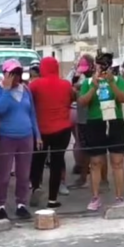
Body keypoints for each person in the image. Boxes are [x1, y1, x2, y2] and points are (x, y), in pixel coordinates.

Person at [78, 52, 124, 210]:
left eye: (106, 64)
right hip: (95, 123)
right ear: (95, 66)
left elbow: (123, 99)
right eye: (100, 64)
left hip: (115, 122)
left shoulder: (118, 80)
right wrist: (94, 85)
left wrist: (111, 82)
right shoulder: (87, 81)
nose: (103, 67)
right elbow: (82, 102)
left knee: (117, 162)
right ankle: (95, 197)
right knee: (95, 162)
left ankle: (119, 197)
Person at [0, 59, 40, 220]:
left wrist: (37, 135)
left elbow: (31, 113)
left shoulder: (25, 89)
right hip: (6, 136)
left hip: (26, 136)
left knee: (24, 174)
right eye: (12, 73)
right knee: (3, 175)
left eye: (18, 73)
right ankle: (0, 205)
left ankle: (21, 204)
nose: (15, 77)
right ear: (4, 74)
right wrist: (6, 89)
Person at [29, 57, 74, 208]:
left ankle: (36, 186)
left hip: (41, 131)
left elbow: (30, 103)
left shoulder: (35, 85)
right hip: (62, 129)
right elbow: (69, 101)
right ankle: (52, 199)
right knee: (57, 162)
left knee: (37, 161)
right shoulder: (66, 84)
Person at [68, 55, 93, 189]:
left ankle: (90, 177)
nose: (84, 72)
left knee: (90, 148)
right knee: (82, 145)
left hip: (92, 116)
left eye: (86, 69)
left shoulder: (95, 78)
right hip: (81, 115)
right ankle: (83, 175)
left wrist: (79, 86)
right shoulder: (76, 76)